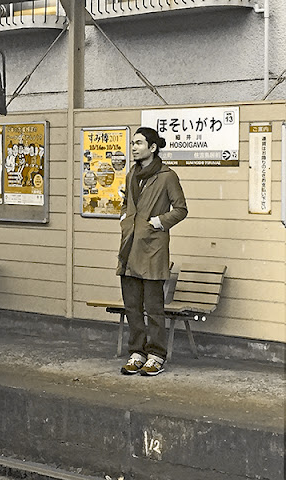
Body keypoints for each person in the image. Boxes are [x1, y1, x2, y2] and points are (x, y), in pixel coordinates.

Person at [117, 127, 187, 376]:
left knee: (154, 307)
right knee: (132, 306)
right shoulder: (131, 175)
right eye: (133, 143)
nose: (134, 147)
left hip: (153, 249)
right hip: (129, 246)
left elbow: (180, 209)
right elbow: (127, 203)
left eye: (139, 143)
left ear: (153, 147)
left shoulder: (168, 176)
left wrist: (159, 222)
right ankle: (137, 352)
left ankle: (156, 354)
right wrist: (125, 216)